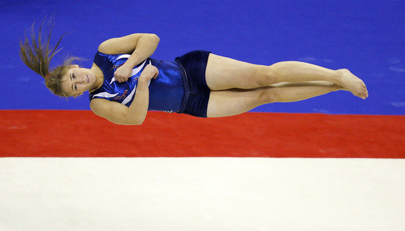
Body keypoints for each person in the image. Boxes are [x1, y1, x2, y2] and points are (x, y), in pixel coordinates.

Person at [19, 21, 368, 125]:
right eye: (74, 88)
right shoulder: (99, 103)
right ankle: (333, 87)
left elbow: (150, 38)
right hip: (191, 105)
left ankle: (337, 74)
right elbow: (136, 118)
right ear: (76, 96)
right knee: (267, 96)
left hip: (193, 70)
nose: (79, 82)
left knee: (264, 76)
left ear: (74, 66)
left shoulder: (106, 50)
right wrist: (141, 83)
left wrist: (128, 64)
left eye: (73, 76)